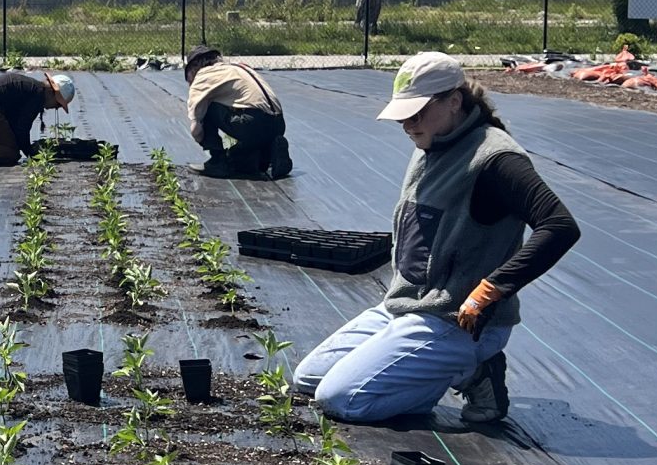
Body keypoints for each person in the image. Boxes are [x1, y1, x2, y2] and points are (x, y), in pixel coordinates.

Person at [291, 52, 579, 427]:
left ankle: (473, 370)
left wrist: (491, 290)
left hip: (457, 318)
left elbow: (559, 225)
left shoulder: (494, 158)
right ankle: (440, 369)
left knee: (343, 399)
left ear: (454, 101)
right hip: (407, 306)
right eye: (403, 115)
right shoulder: (433, 143)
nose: (408, 124)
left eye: (418, 112)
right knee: (308, 378)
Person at [182, 48, 292, 179]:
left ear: (194, 67)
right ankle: (270, 148)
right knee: (241, 162)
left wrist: (203, 139)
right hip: (277, 125)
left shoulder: (203, 76)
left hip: (252, 125)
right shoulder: (238, 68)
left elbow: (196, 126)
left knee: (205, 107)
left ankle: (217, 162)